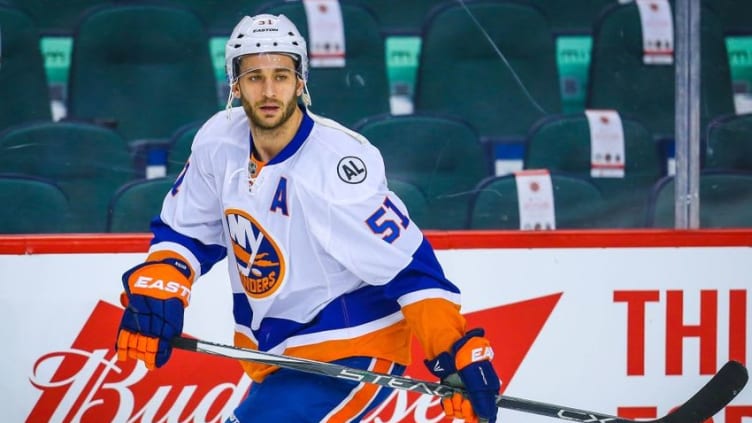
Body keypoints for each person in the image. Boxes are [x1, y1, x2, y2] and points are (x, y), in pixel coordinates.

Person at [115, 13, 501, 423]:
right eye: (254, 77)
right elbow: (188, 229)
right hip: (277, 350)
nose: (268, 91)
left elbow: (411, 269)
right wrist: (166, 280)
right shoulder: (218, 139)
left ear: (301, 81)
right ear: (234, 84)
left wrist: (452, 352)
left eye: (281, 76)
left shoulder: (337, 166)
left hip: (351, 348)